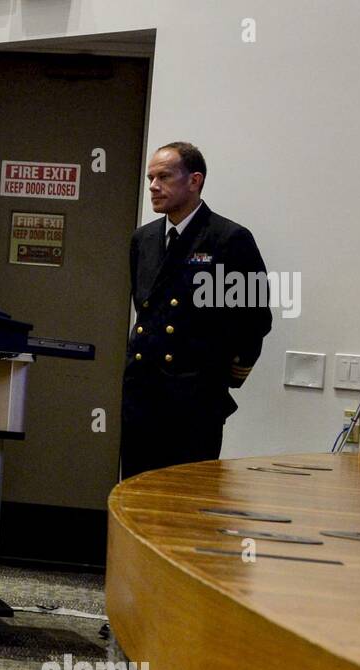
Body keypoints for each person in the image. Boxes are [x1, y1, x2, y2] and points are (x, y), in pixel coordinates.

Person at [121, 142, 273, 480]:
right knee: (136, 493)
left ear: (194, 181)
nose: (153, 186)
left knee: (184, 498)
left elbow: (254, 319)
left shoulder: (227, 239)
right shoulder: (143, 240)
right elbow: (146, 310)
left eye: (164, 176)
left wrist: (228, 374)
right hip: (142, 394)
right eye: (150, 178)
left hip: (192, 400)